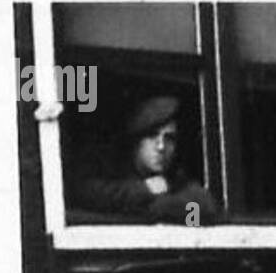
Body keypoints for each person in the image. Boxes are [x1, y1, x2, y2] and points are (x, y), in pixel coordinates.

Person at [75, 94, 220, 224]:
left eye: (169, 138)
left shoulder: (174, 178)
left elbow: (205, 208)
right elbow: (86, 194)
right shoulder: (113, 170)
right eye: (152, 136)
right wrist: (145, 190)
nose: (161, 146)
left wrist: (155, 207)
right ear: (137, 142)